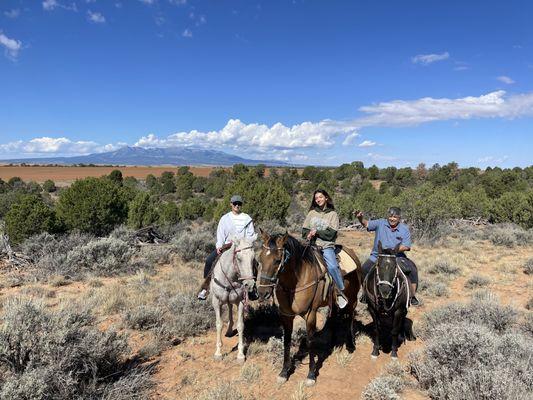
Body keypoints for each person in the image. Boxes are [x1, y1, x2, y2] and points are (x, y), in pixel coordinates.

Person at [355, 207, 420, 306]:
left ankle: (412, 296)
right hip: (377, 255)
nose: (392, 219)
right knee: (364, 269)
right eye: (390, 216)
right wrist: (360, 218)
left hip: (396, 256)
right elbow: (366, 224)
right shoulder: (380, 223)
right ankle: (365, 294)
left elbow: (406, 246)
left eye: (395, 217)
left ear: (399, 218)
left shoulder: (404, 229)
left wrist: (394, 250)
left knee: (412, 270)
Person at [197, 195, 257, 300]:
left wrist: (246, 245)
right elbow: (220, 234)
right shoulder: (225, 219)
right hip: (228, 247)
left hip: (243, 248)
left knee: (255, 264)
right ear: (231, 204)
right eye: (235, 203)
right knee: (209, 261)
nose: (237, 205)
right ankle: (205, 288)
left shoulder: (247, 218)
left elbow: (250, 235)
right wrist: (219, 246)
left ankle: (252, 289)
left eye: (239, 204)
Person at [302, 189, 348, 309]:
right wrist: (308, 234)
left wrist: (317, 232)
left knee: (332, 266)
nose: (318, 199)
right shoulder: (311, 213)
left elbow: (331, 234)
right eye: (316, 198)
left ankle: (340, 291)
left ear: (326, 198)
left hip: (326, 246)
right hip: (311, 246)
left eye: (320, 197)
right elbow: (304, 230)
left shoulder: (333, 214)